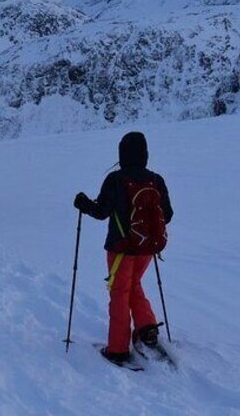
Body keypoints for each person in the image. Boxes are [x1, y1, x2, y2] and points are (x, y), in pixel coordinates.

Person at [73, 131, 174, 364]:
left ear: (122, 154)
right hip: (146, 248)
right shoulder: (156, 180)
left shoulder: (115, 180)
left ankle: (118, 348)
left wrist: (83, 204)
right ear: (145, 154)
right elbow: (167, 215)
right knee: (134, 284)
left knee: (119, 293)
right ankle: (147, 328)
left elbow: (101, 212)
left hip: (120, 249)